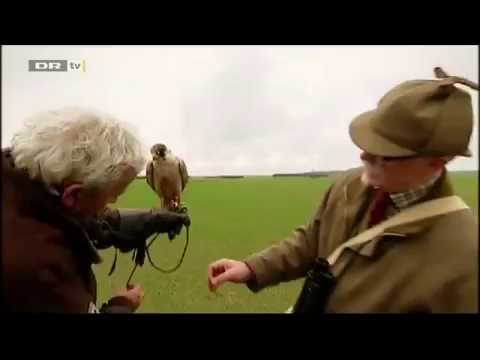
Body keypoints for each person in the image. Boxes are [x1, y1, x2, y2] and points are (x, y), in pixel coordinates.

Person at [207, 68, 479, 313]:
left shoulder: (465, 257)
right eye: (372, 141)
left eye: (387, 152)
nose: (365, 156)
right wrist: (252, 268)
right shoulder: (347, 186)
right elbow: (310, 242)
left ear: (439, 160)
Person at [2, 107, 190, 313]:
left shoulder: (24, 184)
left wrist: (151, 219)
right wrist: (122, 305)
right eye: (112, 195)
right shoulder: (39, 269)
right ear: (74, 195)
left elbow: (84, 219)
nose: (112, 203)